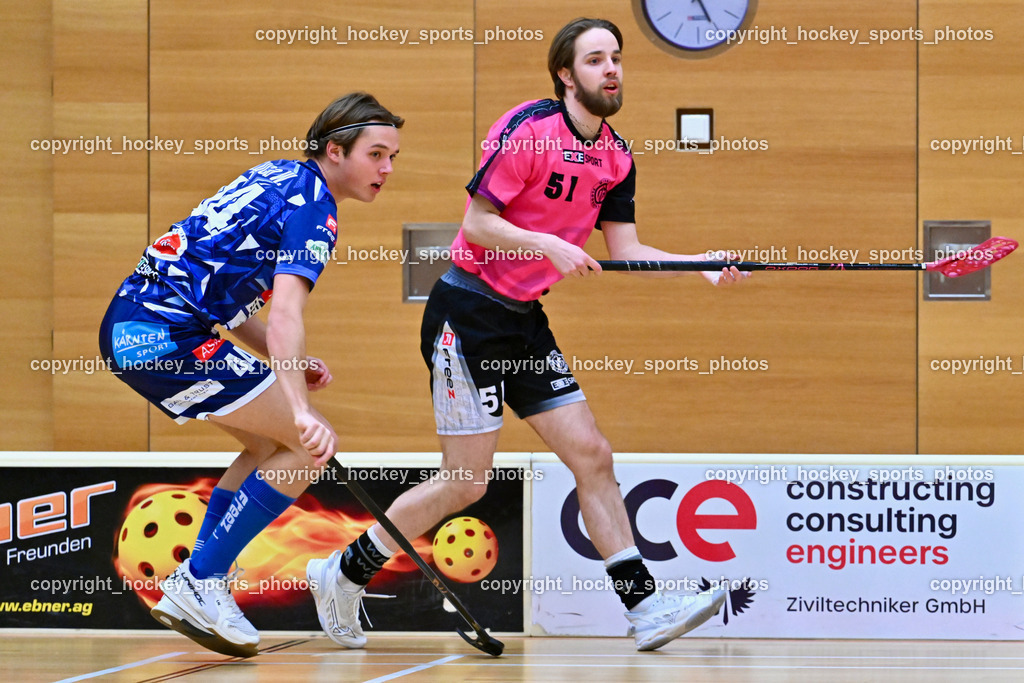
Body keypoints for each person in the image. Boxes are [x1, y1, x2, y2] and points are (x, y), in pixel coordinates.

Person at [308, 18, 747, 652]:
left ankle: (645, 606)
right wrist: (547, 242)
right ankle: (341, 573)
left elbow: (623, 247)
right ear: (567, 75)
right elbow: (478, 224)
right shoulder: (529, 130)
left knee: (592, 454)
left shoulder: (616, 158)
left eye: (617, 58)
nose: (612, 69)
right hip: (467, 314)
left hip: (524, 322)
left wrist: (698, 265)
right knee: (466, 482)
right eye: (596, 60)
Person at [99, 92, 403, 657]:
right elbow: (286, 312)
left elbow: (228, 299)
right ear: (335, 151)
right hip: (167, 334)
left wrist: (289, 366)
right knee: (310, 447)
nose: (387, 169)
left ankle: (205, 578)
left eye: (393, 157)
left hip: (135, 327)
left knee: (269, 444)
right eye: (377, 154)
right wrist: (301, 407)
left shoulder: (275, 175)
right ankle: (201, 577)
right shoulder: (316, 209)